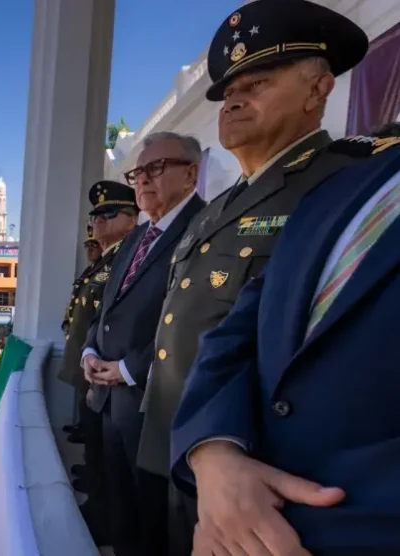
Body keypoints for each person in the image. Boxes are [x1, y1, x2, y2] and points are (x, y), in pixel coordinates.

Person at [136, 3, 377, 554]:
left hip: (259, 469)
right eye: (228, 91)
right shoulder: (218, 208)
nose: (235, 100)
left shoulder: (348, 182)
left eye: (259, 82)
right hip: (184, 441)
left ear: (318, 90)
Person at [81, 132, 206, 556]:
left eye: (157, 168)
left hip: (157, 401)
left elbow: (196, 317)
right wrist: (90, 350)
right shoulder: (137, 237)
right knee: (123, 512)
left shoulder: (205, 226)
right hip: (112, 397)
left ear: (191, 173)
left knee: (155, 521)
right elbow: (108, 307)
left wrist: (130, 368)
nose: (144, 179)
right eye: (138, 172)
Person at [57, 182, 138, 545]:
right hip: (88, 363)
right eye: (96, 216)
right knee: (93, 444)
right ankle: (96, 500)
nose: (99, 222)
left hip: (107, 375)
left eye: (108, 214)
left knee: (105, 455)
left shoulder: (127, 258)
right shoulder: (106, 259)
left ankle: (103, 516)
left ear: (133, 219)